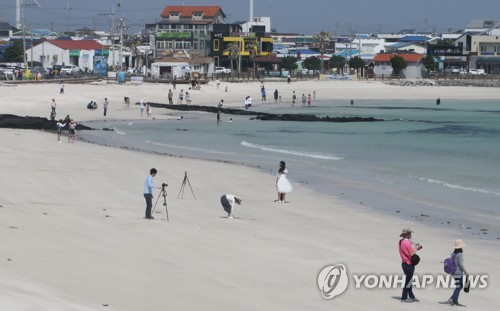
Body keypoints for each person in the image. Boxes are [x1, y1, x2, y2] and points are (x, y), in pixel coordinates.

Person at [399, 228, 422, 303]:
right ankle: (404, 297)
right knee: (408, 281)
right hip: (408, 264)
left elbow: (409, 250)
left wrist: (416, 246)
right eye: (410, 233)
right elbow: (412, 254)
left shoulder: (401, 241)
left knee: (409, 281)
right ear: (407, 234)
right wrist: (416, 248)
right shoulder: (406, 243)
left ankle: (411, 296)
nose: (411, 234)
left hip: (404, 263)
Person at [449, 239, 468, 307]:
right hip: (458, 273)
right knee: (459, 286)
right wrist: (466, 272)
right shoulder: (459, 254)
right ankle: (453, 300)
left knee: (459, 286)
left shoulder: (453, 254)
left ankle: (453, 299)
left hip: (453, 272)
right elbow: (460, 264)